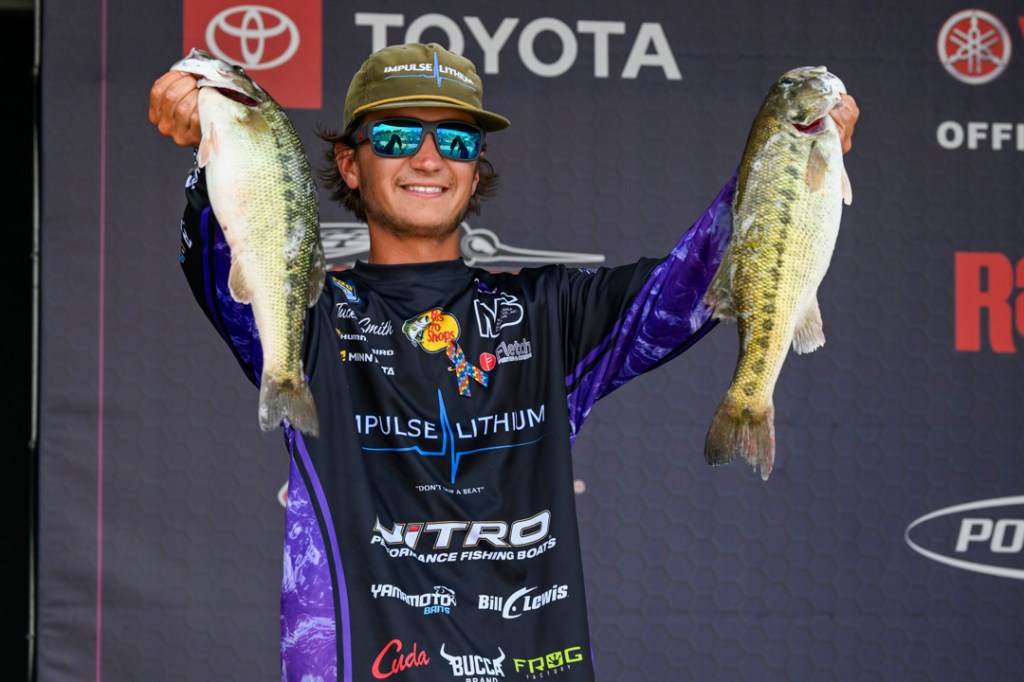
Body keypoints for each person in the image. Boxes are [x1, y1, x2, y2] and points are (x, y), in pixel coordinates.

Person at [149, 42, 859, 681]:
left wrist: (790, 162)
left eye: (456, 139)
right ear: (349, 164)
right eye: (396, 136)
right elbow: (223, 254)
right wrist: (212, 143)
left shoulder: (551, 311)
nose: (429, 159)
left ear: (475, 167)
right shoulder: (300, 315)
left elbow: (693, 284)